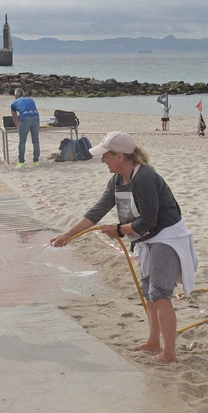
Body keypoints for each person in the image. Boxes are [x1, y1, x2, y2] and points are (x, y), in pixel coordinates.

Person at [50, 131, 197, 364]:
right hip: (147, 238)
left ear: (119, 156)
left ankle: (169, 353)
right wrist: (69, 235)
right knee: (149, 290)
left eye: (105, 156)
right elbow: (97, 211)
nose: (102, 160)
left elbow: (149, 220)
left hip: (167, 236)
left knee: (159, 294)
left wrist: (119, 229)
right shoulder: (118, 180)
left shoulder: (144, 178)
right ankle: (152, 342)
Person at [11, 87, 41, 166]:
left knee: (22, 141)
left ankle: (21, 162)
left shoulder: (14, 103)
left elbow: (14, 117)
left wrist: (18, 126)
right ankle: (36, 161)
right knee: (36, 141)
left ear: (16, 95)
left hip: (24, 118)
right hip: (36, 118)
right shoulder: (31, 100)